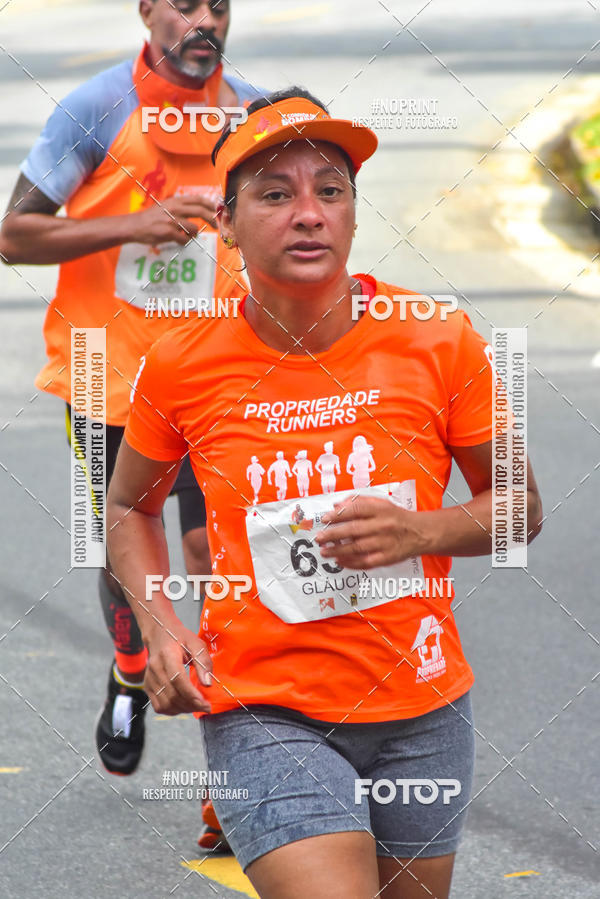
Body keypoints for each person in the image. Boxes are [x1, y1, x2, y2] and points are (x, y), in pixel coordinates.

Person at [106, 88, 543, 898]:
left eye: (329, 190)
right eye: (276, 193)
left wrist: (422, 529)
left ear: (350, 212)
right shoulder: (181, 362)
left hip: (423, 709)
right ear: (227, 224)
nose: (308, 212)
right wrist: (161, 627)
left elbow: (519, 506)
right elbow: (130, 503)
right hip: (263, 709)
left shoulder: (440, 340)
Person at [0, 0, 264, 830]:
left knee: (217, 548)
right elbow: (14, 234)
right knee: (127, 537)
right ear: (147, 10)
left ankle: (241, 763)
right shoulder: (95, 108)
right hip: (108, 373)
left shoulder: (251, 113)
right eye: (184, 3)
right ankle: (130, 662)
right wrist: (134, 224)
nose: (204, 20)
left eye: (218, 5)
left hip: (220, 369)